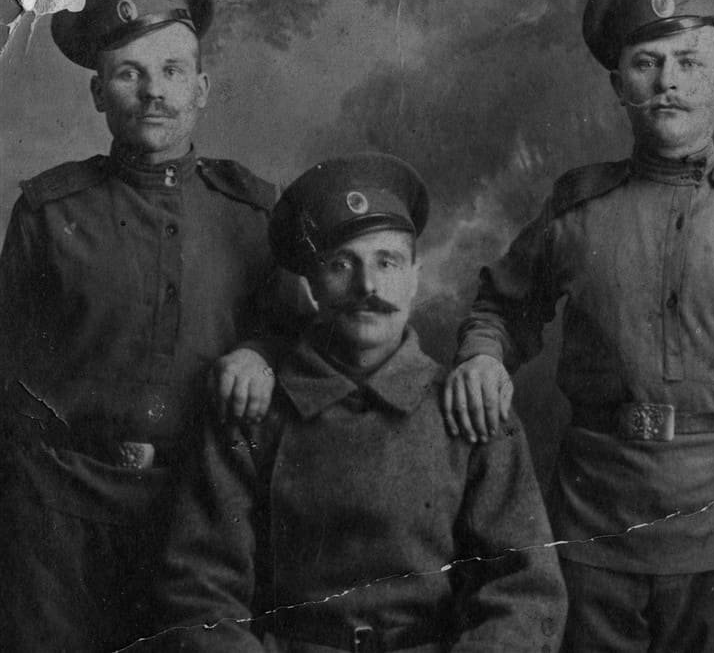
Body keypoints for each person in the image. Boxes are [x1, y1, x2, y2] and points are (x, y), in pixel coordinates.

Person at [444, 0, 714, 649]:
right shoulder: (576, 209)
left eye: (689, 61)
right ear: (618, 85)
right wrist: (481, 353)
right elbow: (501, 309)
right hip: (594, 526)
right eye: (647, 63)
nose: (670, 83)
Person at [153, 153, 566, 652]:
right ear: (310, 287)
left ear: (414, 276)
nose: (368, 287)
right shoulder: (253, 411)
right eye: (341, 264)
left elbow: (525, 592)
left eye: (386, 262)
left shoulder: (468, 410)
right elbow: (202, 592)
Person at [0, 0, 292, 650]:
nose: (152, 91)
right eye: (129, 73)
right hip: (59, 525)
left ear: (202, 88)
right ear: (99, 94)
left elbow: (297, 333)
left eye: (171, 71)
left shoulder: (253, 214)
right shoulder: (48, 211)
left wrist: (261, 349)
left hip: (202, 517)